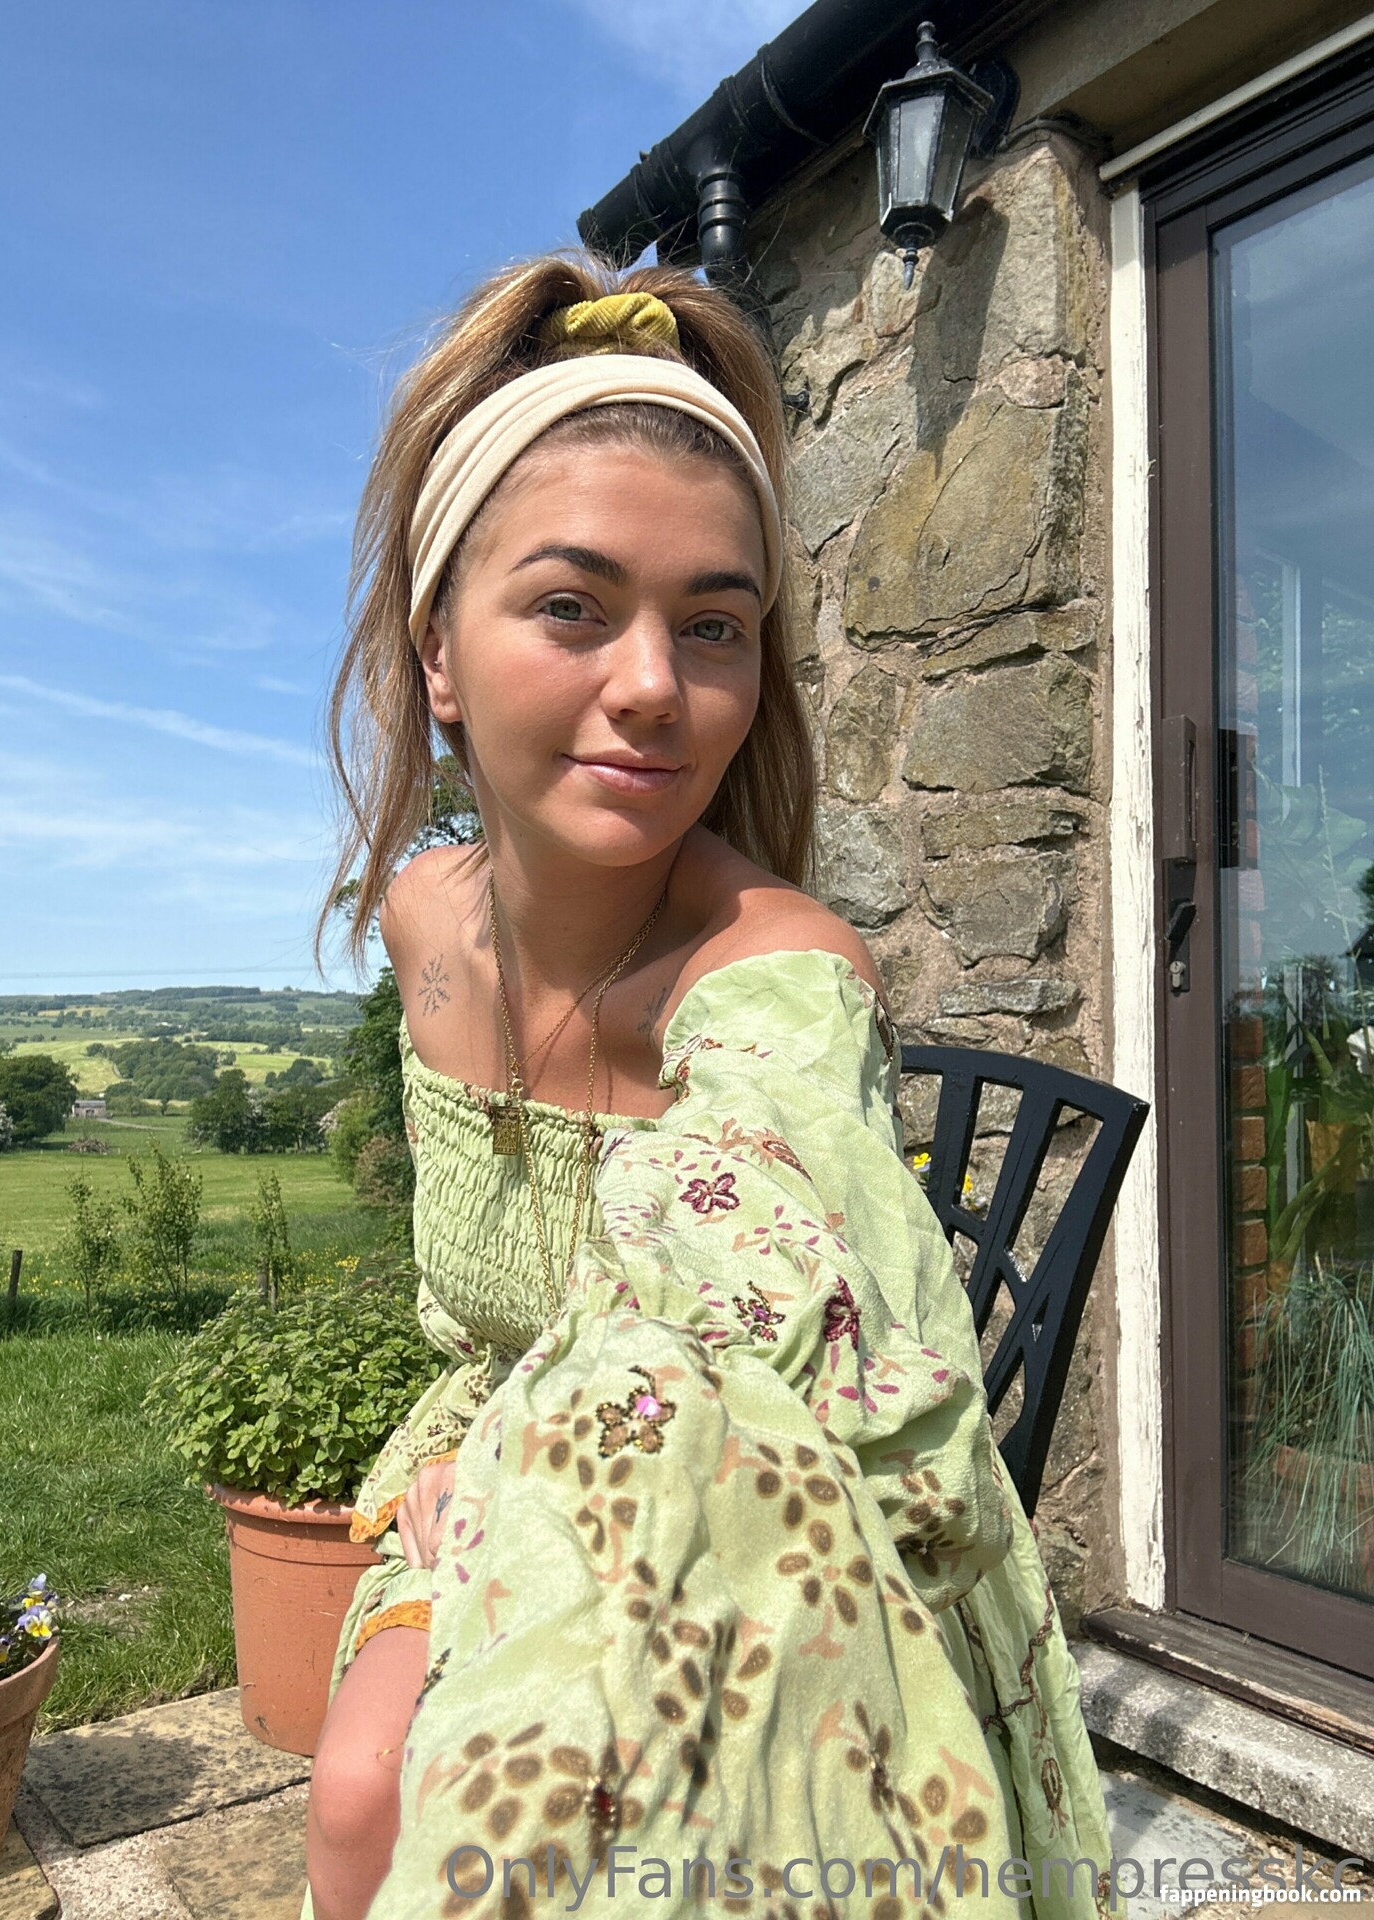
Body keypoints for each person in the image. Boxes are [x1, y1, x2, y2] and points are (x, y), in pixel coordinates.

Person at [304, 257, 1112, 1920]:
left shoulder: (778, 976)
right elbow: (483, 1332)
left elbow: (740, 1298)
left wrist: (530, 1473)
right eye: (572, 607)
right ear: (439, 653)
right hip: (468, 1460)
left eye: (715, 627)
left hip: (723, 1498)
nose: (656, 686)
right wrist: (477, 1464)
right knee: (363, 1800)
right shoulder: (422, 917)